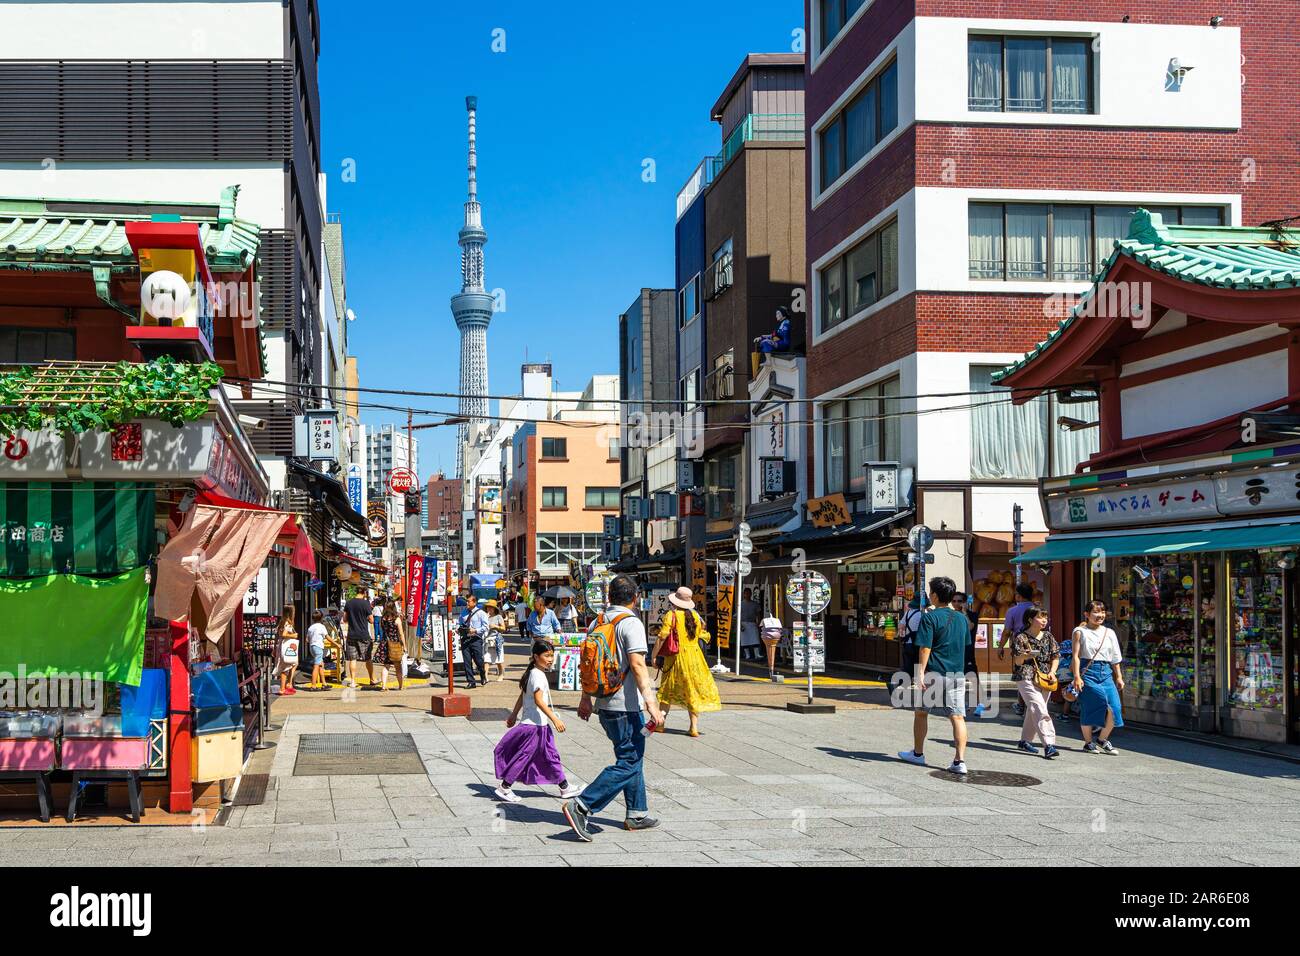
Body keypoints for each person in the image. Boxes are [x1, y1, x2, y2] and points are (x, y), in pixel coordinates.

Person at [562, 574, 665, 842]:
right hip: (626, 705)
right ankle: (583, 805)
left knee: (632, 757)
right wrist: (652, 704)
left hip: (603, 703)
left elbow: (587, 662)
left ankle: (637, 812)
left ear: (609, 598)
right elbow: (639, 665)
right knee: (630, 760)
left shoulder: (598, 621)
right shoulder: (630, 623)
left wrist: (586, 698)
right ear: (635, 597)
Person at [494, 639, 583, 803]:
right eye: (546, 656)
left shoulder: (532, 673)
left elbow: (523, 696)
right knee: (524, 757)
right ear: (536, 656)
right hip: (534, 727)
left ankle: (564, 786)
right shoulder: (538, 675)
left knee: (550, 755)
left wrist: (514, 715)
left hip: (538, 725)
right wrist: (555, 719)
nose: (550, 659)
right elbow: (538, 700)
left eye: (552, 656)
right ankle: (505, 787)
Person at [898, 576, 969, 775]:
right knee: (957, 716)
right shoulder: (962, 619)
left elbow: (925, 647)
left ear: (935, 596)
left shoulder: (929, 617)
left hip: (934, 673)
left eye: (931, 593)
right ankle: (959, 760)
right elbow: (965, 645)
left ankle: (918, 754)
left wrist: (920, 672)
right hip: (957, 673)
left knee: (921, 712)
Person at [652, 586, 722, 737]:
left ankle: (661, 723)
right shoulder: (696, 617)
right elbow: (703, 634)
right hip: (695, 657)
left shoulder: (671, 615)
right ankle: (693, 727)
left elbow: (662, 636)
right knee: (692, 690)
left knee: (667, 690)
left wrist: (654, 655)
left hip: (676, 658)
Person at [1071, 600, 1125, 754]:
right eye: (1095, 612)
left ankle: (1102, 739)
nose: (1100, 615)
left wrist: (1119, 677)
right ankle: (1088, 742)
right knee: (1092, 705)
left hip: (1106, 672)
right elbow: (1075, 656)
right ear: (1087, 615)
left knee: (1115, 708)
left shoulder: (1110, 632)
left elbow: (1115, 657)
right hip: (1088, 672)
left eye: (1102, 612)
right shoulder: (1079, 632)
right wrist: (1076, 676)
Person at [1011, 606, 1060, 758]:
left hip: (1045, 677)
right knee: (1039, 708)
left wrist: (1052, 672)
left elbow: (1055, 656)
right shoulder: (1021, 637)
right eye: (1040, 617)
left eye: (1045, 617)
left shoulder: (1048, 636)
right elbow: (1017, 662)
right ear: (1030, 619)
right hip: (1026, 675)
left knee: (1036, 709)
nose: (1044, 620)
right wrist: (1025, 656)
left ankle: (1025, 741)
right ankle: (1049, 744)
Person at [997, 583, 1037, 717]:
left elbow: (1007, 631)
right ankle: (1035, 702)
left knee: (1021, 673)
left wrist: (1001, 647)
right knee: (1036, 672)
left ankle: (1021, 704)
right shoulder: (1039, 609)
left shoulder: (1012, 610)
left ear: (1018, 595)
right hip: (1038, 645)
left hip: (1020, 646)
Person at [342, 590, 377, 688]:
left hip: (351, 635)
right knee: (368, 658)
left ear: (356, 591)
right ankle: (372, 679)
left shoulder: (349, 603)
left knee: (353, 659)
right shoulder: (366, 604)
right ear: (365, 593)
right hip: (363, 635)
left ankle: (353, 681)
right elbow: (371, 620)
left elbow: (344, 619)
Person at [373, 599, 407, 691]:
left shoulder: (382, 619)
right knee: (398, 667)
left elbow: (383, 630)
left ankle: (384, 686)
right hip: (395, 644)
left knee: (386, 666)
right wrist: (404, 645)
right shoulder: (397, 619)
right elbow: (401, 634)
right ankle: (401, 686)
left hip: (385, 644)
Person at [459, 593, 490, 689]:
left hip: (476, 639)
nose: (467, 603)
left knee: (479, 660)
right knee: (467, 661)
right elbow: (459, 623)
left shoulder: (481, 613)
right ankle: (471, 682)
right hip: (465, 638)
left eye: (469, 601)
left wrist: (476, 630)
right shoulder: (463, 612)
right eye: (466, 601)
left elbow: (486, 627)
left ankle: (482, 673)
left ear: (474, 602)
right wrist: (458, 629)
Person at [274, 604, 300, 696]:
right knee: (285, 667)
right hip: (285, 647)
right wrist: (293, 635)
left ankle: (288, 684)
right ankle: (283, 688)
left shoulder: (281, 621)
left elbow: (277, 636)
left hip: (281, 646)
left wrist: (274, 648)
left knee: (292, 664)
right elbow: (284, 634)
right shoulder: (288, 623)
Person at [484, 598, 507, 682]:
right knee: (486, 659)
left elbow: (503, 628)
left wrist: (495, 626)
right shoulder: (485, 616)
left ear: (494, 609)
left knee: (499, 659)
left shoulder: (498, 617)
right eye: (488, 607)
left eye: (491, 607)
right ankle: (485, 676)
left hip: (496, 640)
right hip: (487, 640)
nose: (489, 609)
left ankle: (501, 674)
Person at [306, 609, 328, 691]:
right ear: (321, 618)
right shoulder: (322, 627)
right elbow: (327, 636)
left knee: (321, 665)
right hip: (318, 648)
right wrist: (336, 644)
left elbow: (307, 639)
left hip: (312, 647)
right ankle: (313, 685)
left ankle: (324, 683)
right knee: (316, 666)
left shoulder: (311, 627)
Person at [739, 587, 761, 661]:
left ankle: (757, 654)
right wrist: (740, 625)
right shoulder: (740, 604)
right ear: (744, 594)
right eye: (746, 593)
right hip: (743, 623)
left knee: (755, 639)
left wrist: (759, 623)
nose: (748, 595)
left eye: (749, 593)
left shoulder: (755, 604)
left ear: (751, 594)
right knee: (745, 640)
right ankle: (747, 655)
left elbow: (758, 614)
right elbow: (737, 615)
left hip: (752, 623)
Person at [760, 614, 784, 682]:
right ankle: (771, 670)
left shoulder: (764, 621)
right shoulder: (777, 621)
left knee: (770, 649)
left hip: (768, 635)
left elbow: (761, 626)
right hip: (775, 635)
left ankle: (771, 670)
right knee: (771, 649)